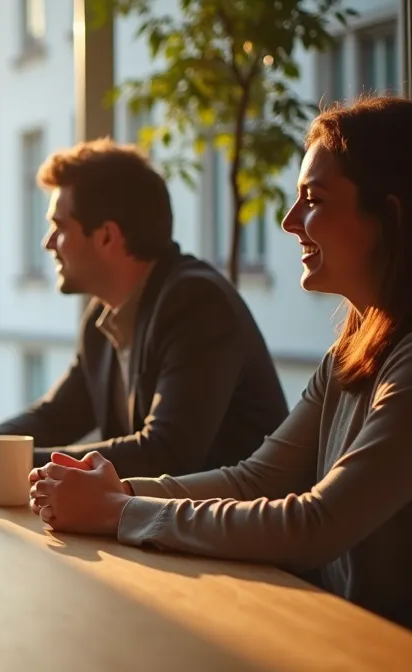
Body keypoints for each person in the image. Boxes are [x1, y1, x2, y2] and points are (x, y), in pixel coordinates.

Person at [30, 96, 412, 628]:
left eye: (313, 199)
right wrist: (115, 495)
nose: (288, 221)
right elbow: (256, 480)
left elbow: (318, 522)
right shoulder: (349, 354)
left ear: (389, 217)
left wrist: (118, 509)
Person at [0, 139, 287, 480]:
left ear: (107, 236)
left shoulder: (196, 303)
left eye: (59, 227)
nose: (48, 243)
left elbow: (166, 453)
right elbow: (56, 418)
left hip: (241, 540)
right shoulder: (105, 317)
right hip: (170, 533)